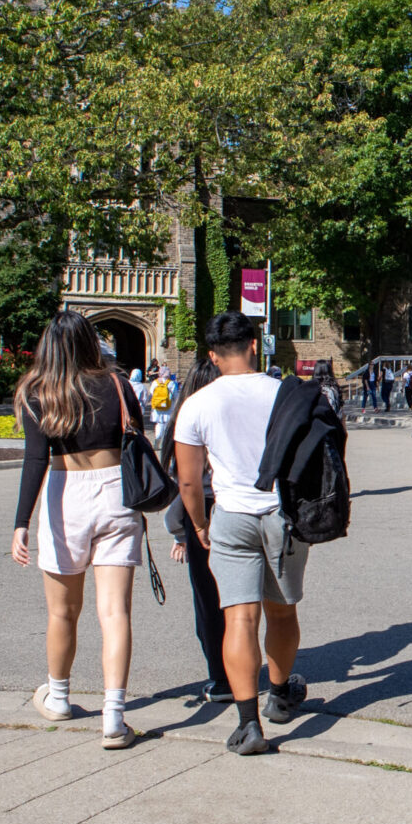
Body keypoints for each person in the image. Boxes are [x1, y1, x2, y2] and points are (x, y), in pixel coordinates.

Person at [7, 310, 147, 750]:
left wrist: (20, 522)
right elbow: (137, 440)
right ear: (91, 343)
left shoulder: (38, 391)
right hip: (116, 492)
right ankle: (113, 714)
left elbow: (34, 460)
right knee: (115, 613)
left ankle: (60, 696)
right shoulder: (119, 385)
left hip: (65, 491)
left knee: (63, 612)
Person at [172, 311, 305, 756]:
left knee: (239, 619)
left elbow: (189, 481)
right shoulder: (285, 394)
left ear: (212, 355)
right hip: (280, 514)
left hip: (230, 515)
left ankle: (248, 725)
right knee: (282, 613)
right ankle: (281, 694)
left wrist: (198, 524)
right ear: (254, 345)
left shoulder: (197, 403)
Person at [157, 360, 229, 703]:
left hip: (198, 511)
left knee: (207, 600)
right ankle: (242, 667)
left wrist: (182, 531)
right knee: (239, 599)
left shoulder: (184, 419)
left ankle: (220, 675)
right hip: (234, 507)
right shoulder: (229, 414)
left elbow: (184, 483)